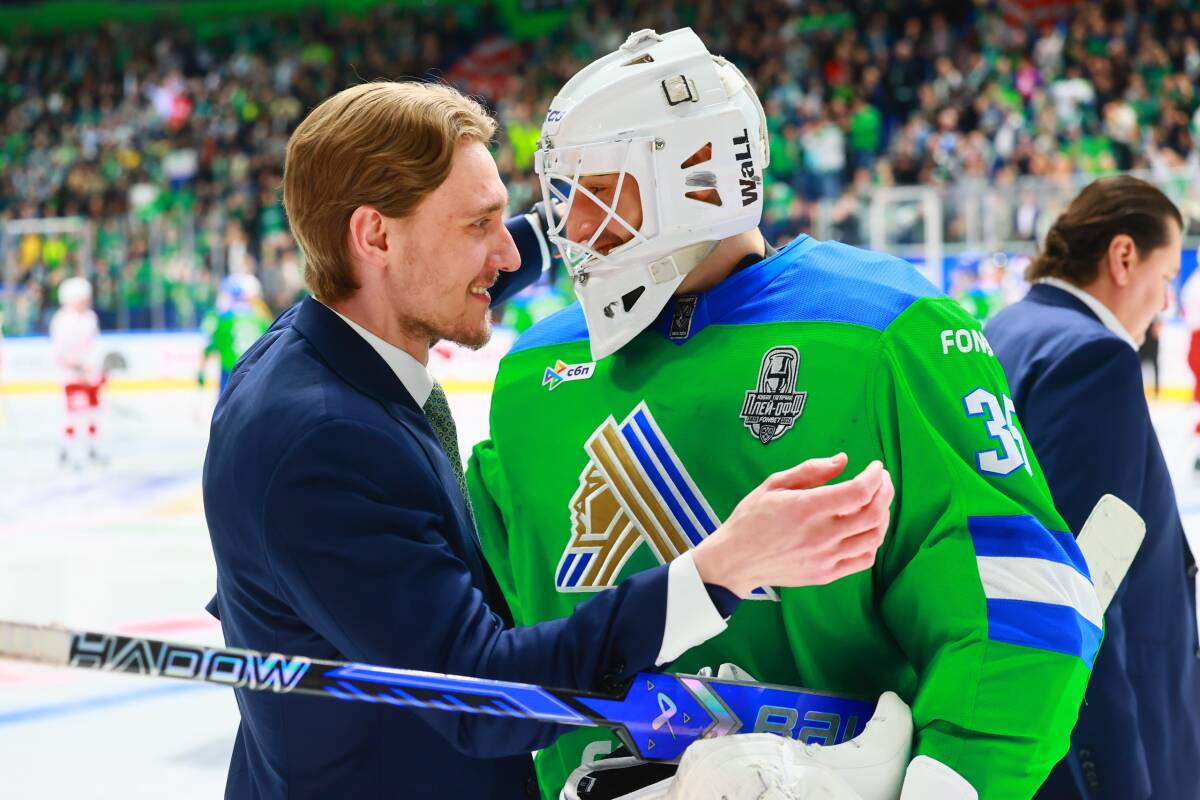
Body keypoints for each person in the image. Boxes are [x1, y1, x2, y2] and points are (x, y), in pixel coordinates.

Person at [202, 80, 894, 799]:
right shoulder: (323, 442)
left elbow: (470, 262)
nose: (507, 256)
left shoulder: (322, 337)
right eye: (479, 226)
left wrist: (618, 206)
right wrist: (720, 570)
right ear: (375, 236)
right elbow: (482, 696)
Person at [467, 29, 1097, 800]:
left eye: (599, 189)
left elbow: (1018, 599)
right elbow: (503, 642)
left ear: (698, 177)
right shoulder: (532, 371)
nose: (569, 226)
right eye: (565, 194)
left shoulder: (883, 328)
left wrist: (945, 785)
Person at [985, 176, 1200, 800]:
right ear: (1123, 256)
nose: (1166, 300)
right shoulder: (1093, 357)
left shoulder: (1006, 328)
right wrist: (1115, 778)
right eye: (1166, 277)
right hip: (1094, 743)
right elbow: (1084, 596)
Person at [49, 276, 105, 467]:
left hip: (91, 375)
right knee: (74, 414)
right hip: (71, 376)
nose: (85, 302)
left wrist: (94, 367)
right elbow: (60, 352)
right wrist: (79, 367)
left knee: (93, 413)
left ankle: (93, 448)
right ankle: (69, 450)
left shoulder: (90, 318)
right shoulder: (62, 320)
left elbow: (94, 345)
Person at [200, 274, 275, 395]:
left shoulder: (224, 320)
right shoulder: (258, 317)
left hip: (230, 371)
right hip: (255, 371)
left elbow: (211, 346)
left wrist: (201, 372)